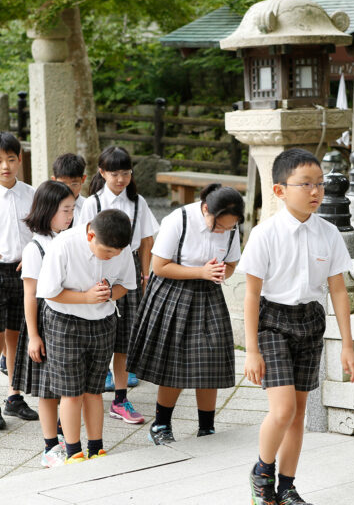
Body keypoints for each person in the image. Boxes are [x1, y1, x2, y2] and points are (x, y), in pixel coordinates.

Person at [240, 148, 354, 505]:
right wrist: (251, 350)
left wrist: (349, 346)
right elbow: (250, 295)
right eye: (305, 184)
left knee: (299, 413)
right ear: (279, 190)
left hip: (311, 322)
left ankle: (286, 486)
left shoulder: (328, 233)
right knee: (282, 410)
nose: (315, 192)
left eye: (320, 184)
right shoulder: (265, 234)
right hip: (272, 322)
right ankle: (262, 473)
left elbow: (338, 291)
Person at [127, 184, 243, 444]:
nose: (225, 231)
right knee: (174, 363)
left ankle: (207, 427)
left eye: (230, 227)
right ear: (206, 210)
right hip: (173, 291)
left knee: (210, 361)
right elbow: (159, 266)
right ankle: (161, 425)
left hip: (209, 294)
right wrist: (201, 272)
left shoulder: (232, 227)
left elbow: (233, 263)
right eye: (220, 226)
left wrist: (223, 272)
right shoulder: (178, 220)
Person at [37, 209, 137, 463]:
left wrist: (110, 294)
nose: (112, 257)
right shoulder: (64, 245)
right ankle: (73, 452)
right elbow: (49, 292)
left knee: (94, 390)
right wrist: (86, 297)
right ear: (91, 234)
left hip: (103, 322)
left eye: (116, 253)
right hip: (65, 322)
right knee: (71, 392)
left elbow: (127, 284)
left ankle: (96, 447)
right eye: (107, 252)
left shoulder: (120, 248)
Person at [78, 146, 158, 421]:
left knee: (125, 338)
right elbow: (83, 240)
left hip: (130, 267)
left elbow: (147, 241)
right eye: (114, 173)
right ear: (102, 173)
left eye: (126, 172)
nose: (121, 178)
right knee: (98, 334)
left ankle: (121, 400)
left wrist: (146, 276)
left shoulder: (138, 202)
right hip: (98, 269)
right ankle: (89, 392)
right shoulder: (92, 203)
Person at [0, 131, 38, 429]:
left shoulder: (32, 193)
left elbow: (42, 231)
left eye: (10, 159)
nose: (5, 166)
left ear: (19, 160)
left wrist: (34, 252)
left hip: (24, 272)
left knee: (17, 335)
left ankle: (14, 396)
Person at [11, 180, 75, 467]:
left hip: (68, 318)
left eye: (72, 209)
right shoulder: (36, 248)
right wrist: (34, 336)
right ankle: (50, 447)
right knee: (48, 388)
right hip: (44, 320)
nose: (70, 216)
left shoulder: (68, 238)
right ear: (48, 210)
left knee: (68, 387)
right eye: (65, 210)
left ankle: (66, 437)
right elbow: (29, 295)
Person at [51, 153, 87, 224]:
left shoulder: (88, 206)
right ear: (54, 180)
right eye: (63, 184)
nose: (69, 189)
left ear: (83, 179)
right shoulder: (48, 206)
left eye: (74, 184)